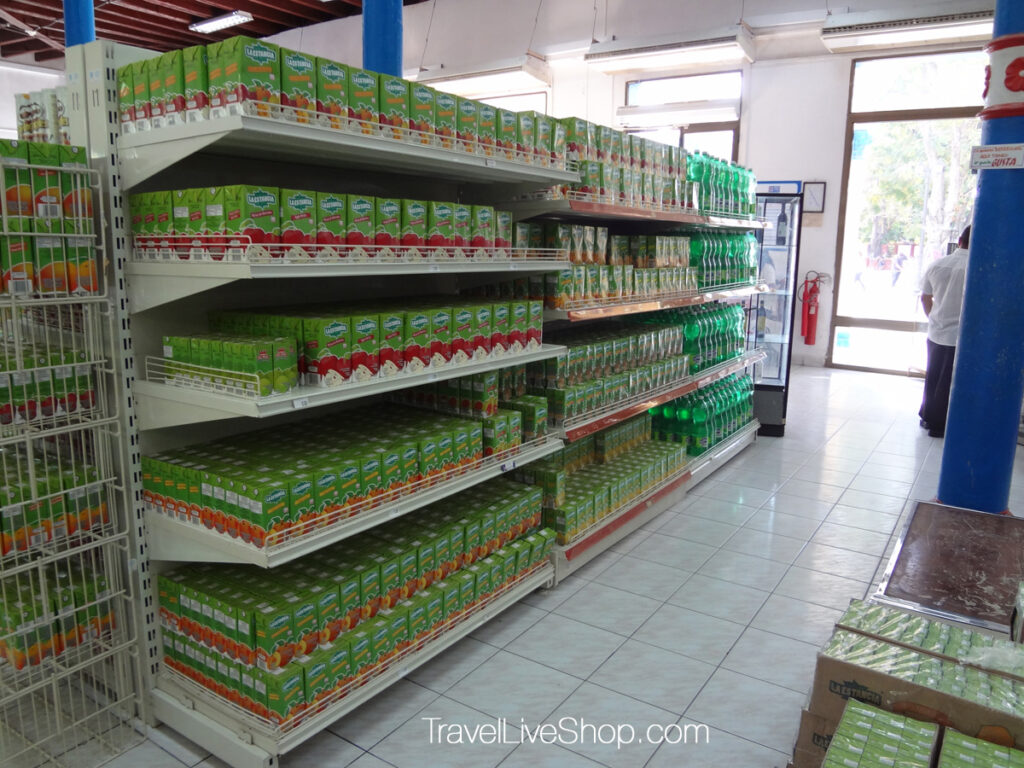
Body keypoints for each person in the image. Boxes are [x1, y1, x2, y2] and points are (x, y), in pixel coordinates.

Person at [918, 225, 970, 438]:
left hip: (936, 330)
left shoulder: (938, 264)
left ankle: (927, 416)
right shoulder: (978, 268)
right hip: (961, 335)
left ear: (959, 241)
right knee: (948, 381)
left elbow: (925, 296)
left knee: (933, 375)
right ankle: (939, 425)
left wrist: (933, 317)